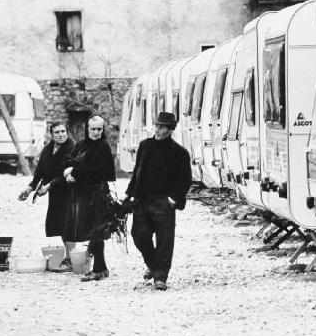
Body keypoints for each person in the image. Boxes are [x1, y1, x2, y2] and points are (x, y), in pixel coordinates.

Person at [125, 111, 192, 290]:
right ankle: (153, 264)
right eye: (156, 125)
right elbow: (137, 171)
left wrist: (173, 199)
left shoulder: (180, 153)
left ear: (170, 130)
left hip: (163, 202)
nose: (157, 129)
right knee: (139, 235)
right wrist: (129, 193)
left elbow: (185, 180)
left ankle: (160, 276)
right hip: (142, 200)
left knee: (164, 240)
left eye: (162, 126)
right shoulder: (145, 145)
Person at [62, 114, 116, 281]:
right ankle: (103, 268)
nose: (96, 132)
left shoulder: (103, 147)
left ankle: (99, 269)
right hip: (81, 194)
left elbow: (96, 171)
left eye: (99, 129)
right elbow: (68, 161)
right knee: (91, 231)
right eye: (93, 129)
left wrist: (74, 172)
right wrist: (67, 173)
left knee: (97, 231)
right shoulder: (81, 144)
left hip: (97, 193)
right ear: (87, 129)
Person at [19, 121, 76, 269]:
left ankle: (71, 259)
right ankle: (69, 258)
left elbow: (67, 173)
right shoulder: (48, 148)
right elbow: (40, 172)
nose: (61, 135)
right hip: (56, 194)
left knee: (68, 225)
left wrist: (49, 186)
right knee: (58, 225)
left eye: (63, 131)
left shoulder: (72, 147)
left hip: (70, 191)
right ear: (52, 134)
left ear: (67, 132)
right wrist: (30, 187)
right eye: (57, 132)